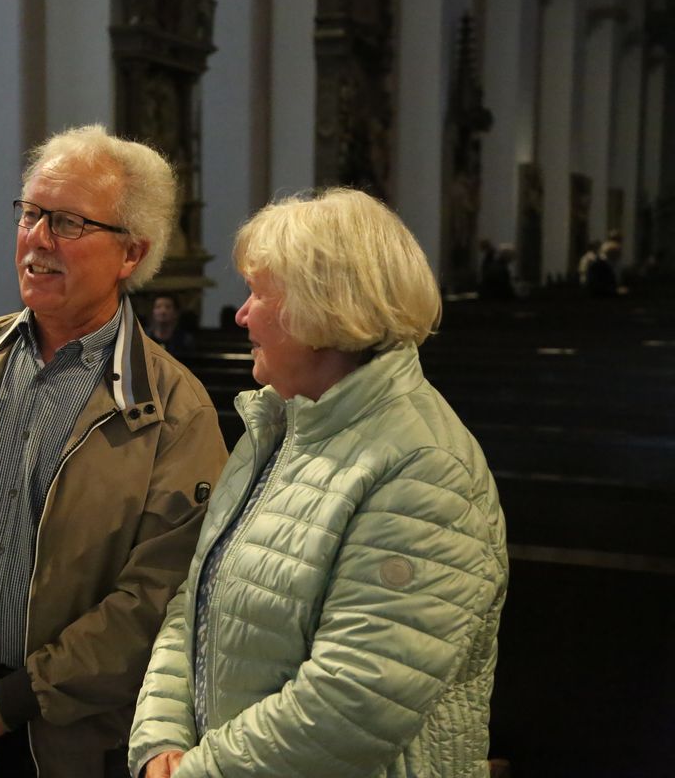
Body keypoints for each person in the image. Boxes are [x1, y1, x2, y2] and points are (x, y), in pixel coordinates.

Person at [130, 188, 509, 777]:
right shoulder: (278, 428)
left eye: (259, 293)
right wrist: (159, 741)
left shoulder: (426, 468)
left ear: (323, 307)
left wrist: (198, 771)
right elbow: (196, 602)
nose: (241, 314)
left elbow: (355, 701)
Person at [0, 124, 228, 778]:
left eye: (68, 223)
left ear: (131, 253)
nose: (38, 239)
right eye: (31, 213)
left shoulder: (172, 409)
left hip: (70, 741)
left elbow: (156, 598)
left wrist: (8, 702)